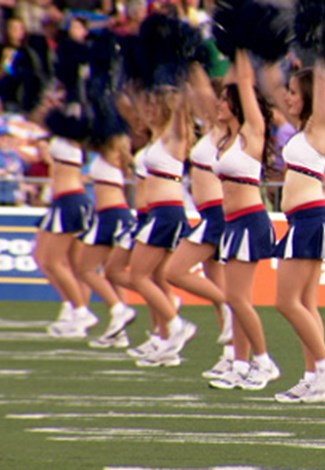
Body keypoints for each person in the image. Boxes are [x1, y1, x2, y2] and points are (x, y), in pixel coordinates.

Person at [271, 64, 325, 403]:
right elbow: (270, 86)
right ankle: (313, 376)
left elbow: (322, 84)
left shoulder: (320, 127)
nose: (288, 97)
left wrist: (318, 55)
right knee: (305, 303)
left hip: (310, 219)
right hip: (301, 220)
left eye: (293, 91)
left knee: (286, 302)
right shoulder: (302, 130)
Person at [208, 49, 280, 390]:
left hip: (251, 220)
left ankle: (263, 362)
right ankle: (239, 364)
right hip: (233, 223)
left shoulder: (252, 132)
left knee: (237, 298)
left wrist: (240, 49)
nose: (219, 104)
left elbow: (246, 82)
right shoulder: (226, 137)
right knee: (235, 298)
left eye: (225, 99)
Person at [164, 64, 233, 378]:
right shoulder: (208, 132)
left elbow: (203, 93)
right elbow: (192, 98)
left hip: (217, 213)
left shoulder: (221, 130)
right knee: (217, 287)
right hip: (209, 213)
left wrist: (190, 61)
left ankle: (231, 306)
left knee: (174, 272)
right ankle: (231, 356)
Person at [128, 85, 197, 368]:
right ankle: (167, 344)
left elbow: (181, 110)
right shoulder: (157, 136)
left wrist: (181, 84)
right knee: (155, 277)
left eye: (154, 105)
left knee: (138, 276)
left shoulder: (175, 135)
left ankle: (176, 324)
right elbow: (136, 109)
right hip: (157, 212)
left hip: (166, 213)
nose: (148, 110)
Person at [35, 112, 97, 338]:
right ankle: (72, 308)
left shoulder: (69, 140)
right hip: (61, 201)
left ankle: (80, 311)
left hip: (71, 201)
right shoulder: (60, 142)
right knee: (43, 257)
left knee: (55, 262)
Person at [77, 133, 137, 349]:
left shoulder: (110, 152)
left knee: (85, 269)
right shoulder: (110, 154)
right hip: (112, 214)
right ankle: (118, 332)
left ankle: (119, 310)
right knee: (110, 274)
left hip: (111, 215)